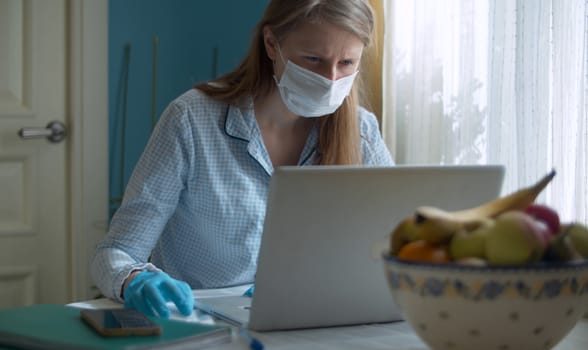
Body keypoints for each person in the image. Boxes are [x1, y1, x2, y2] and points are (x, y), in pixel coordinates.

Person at [91, 0, 394, 319]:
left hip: (314, 322)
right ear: (271, 44)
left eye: (346, 62)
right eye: (313, 59)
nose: (330, 79)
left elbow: (397, 242)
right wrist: (133, 279)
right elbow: (116, 252)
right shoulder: (191, 120)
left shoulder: (361, 132)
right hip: (203, 327)